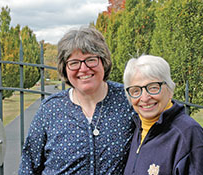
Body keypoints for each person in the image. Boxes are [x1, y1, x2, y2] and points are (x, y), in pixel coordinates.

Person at [18, 26, 135, 174]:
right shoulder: (50, 109)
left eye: (91, 60)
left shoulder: (127, 100)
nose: (83, 68)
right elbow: (28, 165)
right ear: (64, 68)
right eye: (74, 63)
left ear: (103, 61)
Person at [123, 55, 203, 175]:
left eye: (153, 88)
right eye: (136, 90)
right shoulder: (137, 130)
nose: (145, 98)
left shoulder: (190, 136)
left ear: (170, 89)